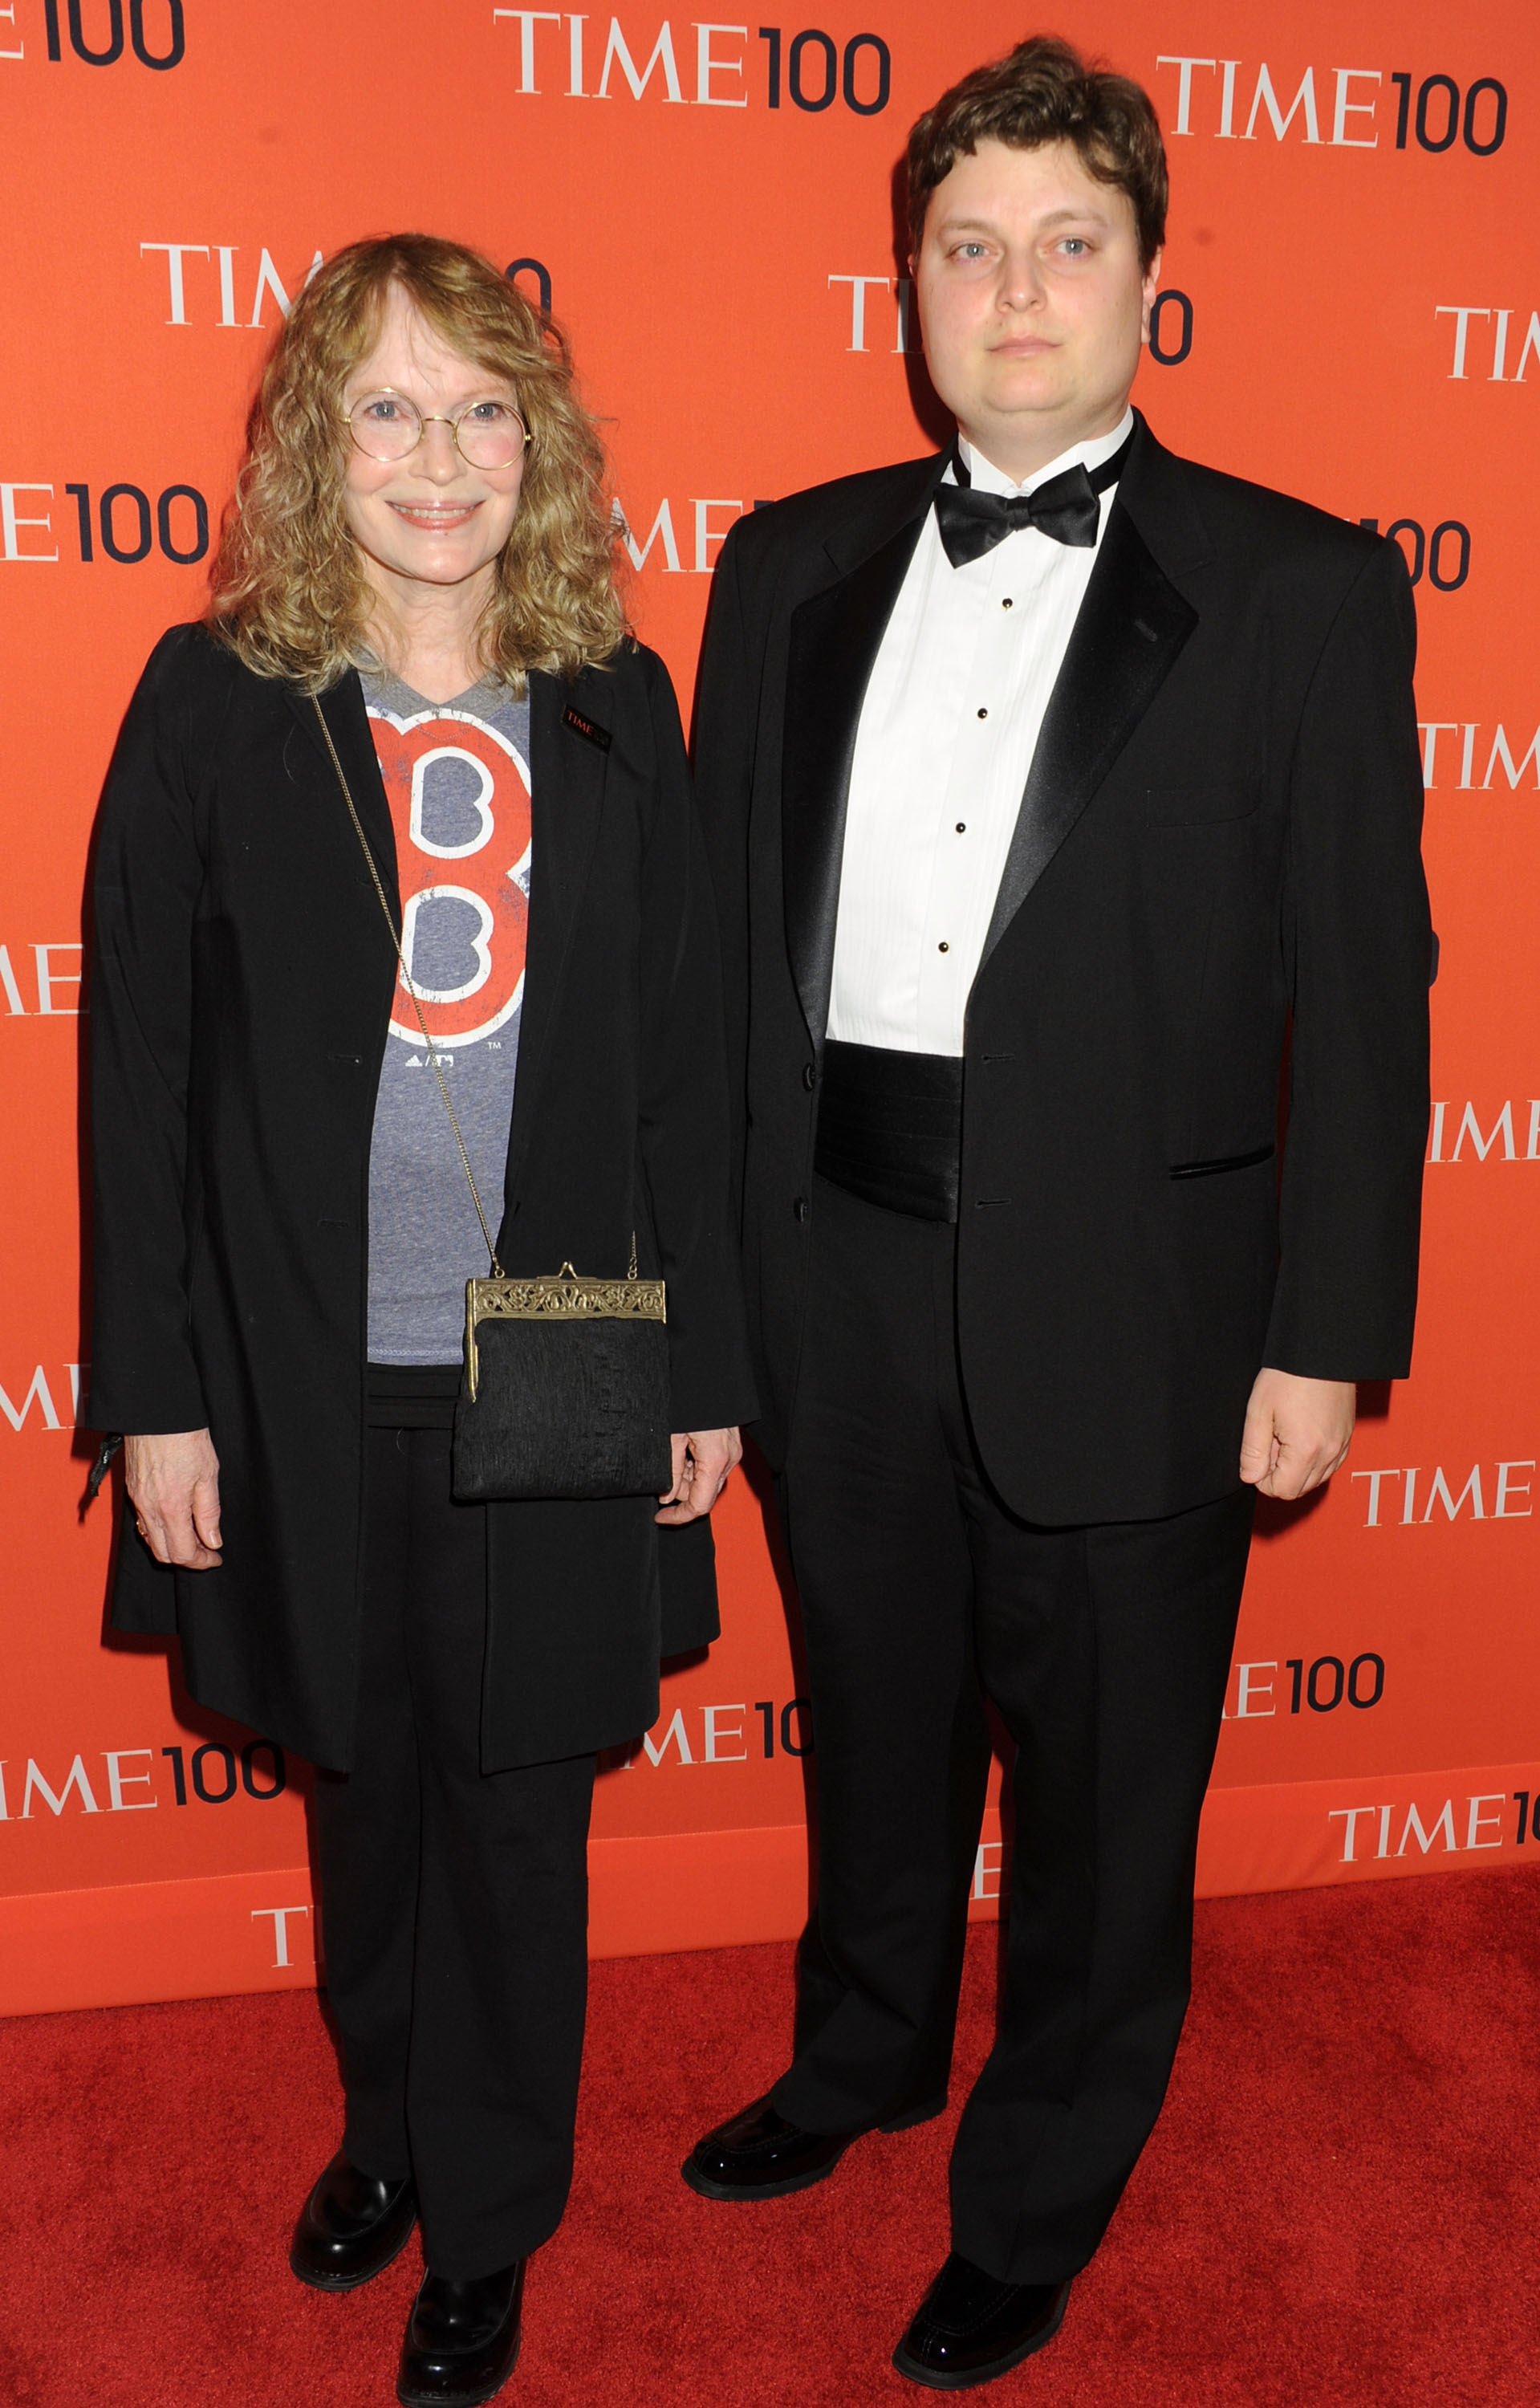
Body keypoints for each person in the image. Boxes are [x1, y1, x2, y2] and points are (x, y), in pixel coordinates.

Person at [687, 35, 1430, 2391]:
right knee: (875, 1717)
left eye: (1067, 246)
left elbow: (1371, 992)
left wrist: (1327, 1335)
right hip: (839, 1270)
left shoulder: (1302, 589)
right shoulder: (785, 564)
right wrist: (704, 1323)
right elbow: (718, 983)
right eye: (968, 248)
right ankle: (865, 2053)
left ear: (1146, 280)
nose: (1015, 291)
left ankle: (1042, 2180)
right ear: (908, 284)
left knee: (1109, 1793)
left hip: (1141, 1298)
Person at [87, 234, 754, 2408]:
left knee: (519, 1817)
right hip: (300, 1372)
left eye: (481, 407)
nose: (438, 456)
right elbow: (142, 1078)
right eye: (387, 407)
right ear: (313, 444)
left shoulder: (614, 704)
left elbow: (684, 1073)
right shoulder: (214, 700)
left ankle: (488, 2214)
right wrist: (159, 1398)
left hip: (557, 1345)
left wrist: (702, 1375)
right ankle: (381, 2128)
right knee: (360, 1801)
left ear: (537, 445)